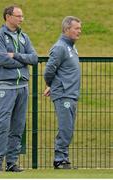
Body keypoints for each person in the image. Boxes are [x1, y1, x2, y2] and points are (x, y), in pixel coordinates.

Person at [0, 4, 38, 172]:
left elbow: (34, 58)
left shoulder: (24, 37)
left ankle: (12, 162)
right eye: (18, 16)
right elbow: (2, 60)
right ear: (8, 17)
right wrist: (22, 61)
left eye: (22, 16)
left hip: (23, 86)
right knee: (3, 124)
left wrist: (17, 56)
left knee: (18, 126)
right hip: (6, 86)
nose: (21, 19)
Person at [44, 16, 81, 169]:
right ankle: (60, 160)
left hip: (71, 94)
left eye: (80, 28)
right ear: (67, 29)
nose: (80, 31)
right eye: (76, 28)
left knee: (69, 128)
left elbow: (61, 72)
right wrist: (51, 84)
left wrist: (53, 85)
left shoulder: (71, 47)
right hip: (64, 95)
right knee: (65, 128)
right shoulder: (60, 47)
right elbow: (49, 70)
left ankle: (63, 159)